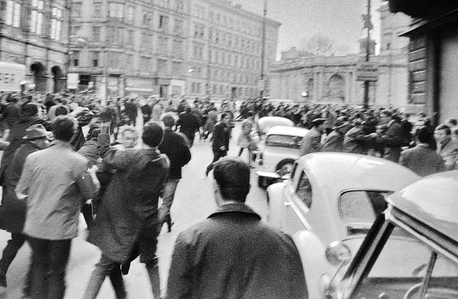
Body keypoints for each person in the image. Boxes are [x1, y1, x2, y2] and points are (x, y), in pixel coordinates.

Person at [166, 159, 307, 299]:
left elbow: (176, 294)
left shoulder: (190, 240)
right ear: (248, 188)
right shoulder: (284, 243)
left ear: (215, 186)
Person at [16, 116, 99, 299]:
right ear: (73, 135)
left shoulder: (33, 158)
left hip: (36, 224)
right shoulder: (78, 162)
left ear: (52, 133)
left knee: (39, 268)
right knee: (57, 273)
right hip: (60, 228)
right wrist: (93, 176)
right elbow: (90, 192)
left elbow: (21, 190)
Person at [84, 122, 169, 299]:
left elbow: (105, 153)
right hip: (148, 221)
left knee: (103, 266)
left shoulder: (131, 156)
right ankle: (158, 296)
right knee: (151, 261)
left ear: (142, 136)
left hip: (123, 221)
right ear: (159, 140)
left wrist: (105, 129)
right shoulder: (163, 162)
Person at [0, 125, 51, 289]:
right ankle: (31, 288)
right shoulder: (34, 155)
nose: (47, 141)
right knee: (41, 248)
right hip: (26, 206)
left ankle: (1, 270)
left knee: (16, 239)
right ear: (36, 140)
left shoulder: (22, 150)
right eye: (44, 138)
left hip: (14, 202)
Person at [158, 114, 191, 233]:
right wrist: (178, 164)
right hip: (174, 174)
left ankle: (167, 221)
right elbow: (187, 156)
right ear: (173, 124)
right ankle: (157, 228)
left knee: (161, 202)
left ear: (163, 123)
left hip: (158, 174)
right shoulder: (180, 138)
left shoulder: (158, 137)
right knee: (166, 202)